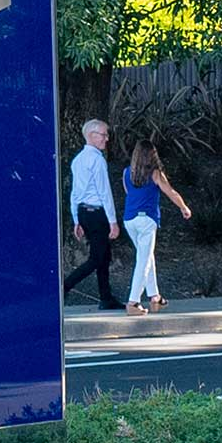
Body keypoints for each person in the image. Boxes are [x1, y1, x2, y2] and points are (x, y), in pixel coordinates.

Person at [120, 140, 192, 316]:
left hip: (130, 219)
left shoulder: (126, 172)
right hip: (147, 219)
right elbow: (170, 192)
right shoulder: (155, 173)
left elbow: (128, 193)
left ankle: (155, 297)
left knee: (146, 256)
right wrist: (183, 207)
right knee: (143, 261)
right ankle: (133, 302)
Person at [63, 119, 123, 310]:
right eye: (104, 135)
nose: (107, 139)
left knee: (104, 255)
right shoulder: (97, 160)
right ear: (91, 135)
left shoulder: (78, 160)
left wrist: (76, 218)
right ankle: (65, 286)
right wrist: (113, 221)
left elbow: (75, 192)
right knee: (97, 258)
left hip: (84, 212)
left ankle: (106, 297)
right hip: (97, 213)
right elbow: (104, 192)